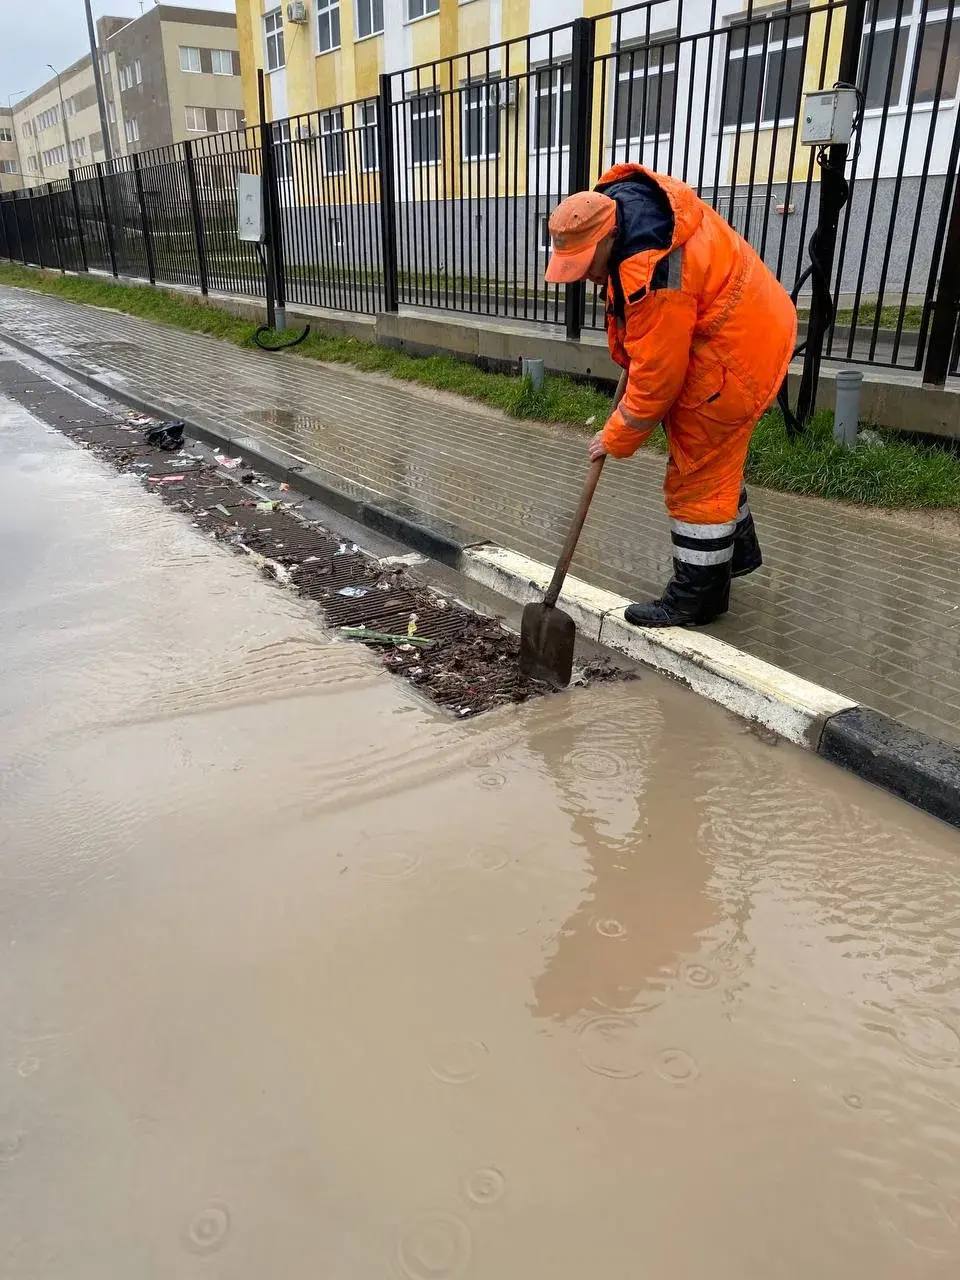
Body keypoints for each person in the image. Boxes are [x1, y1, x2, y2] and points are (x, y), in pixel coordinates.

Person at [544, 164, 797, 627]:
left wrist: (615, 436)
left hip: (732, 357)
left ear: (605, 239)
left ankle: (696, 599)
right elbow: (648, 341)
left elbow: (658, 380)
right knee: (718, 461)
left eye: (585, 267)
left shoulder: (655, 273)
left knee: (697, 477)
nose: (585, 279)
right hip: (749, 325)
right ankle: (731, 556)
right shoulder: (636, 217)